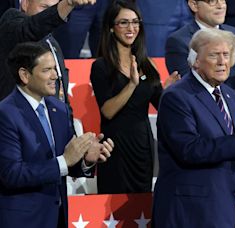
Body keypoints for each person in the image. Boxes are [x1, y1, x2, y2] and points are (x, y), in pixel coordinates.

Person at [152, 28, 235, 228]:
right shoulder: (177, 97)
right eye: (214, 55)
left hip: (231, 206)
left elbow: (234, 147)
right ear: (195, 60)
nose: (223, 61)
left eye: (226, 55)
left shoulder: (231, 96)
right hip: (193, 211)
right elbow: (189, 150)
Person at [0, 41, 114, 228]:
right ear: (25, 75)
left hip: (57, 217)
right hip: (22, 220)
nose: (55, 76)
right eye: (47, 70)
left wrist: (86, 160)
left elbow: (68, 163)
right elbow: (11, 174)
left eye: (55, 68)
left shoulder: (59, 110)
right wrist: (64, 161)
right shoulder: (6, 114)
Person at [91, 0, 179, 194]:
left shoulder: (148, 64)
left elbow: (161, 106)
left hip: (143, 146)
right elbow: (107, 111)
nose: (131, 28)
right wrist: (132, 84)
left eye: (135, 22)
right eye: (123, 22)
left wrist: (169, 91)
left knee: (141, 208)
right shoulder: (101, 66)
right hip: (115, 147)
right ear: (111, 28)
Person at [165, 0, 235, 113]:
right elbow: (192, 86)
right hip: (200, 114)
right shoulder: (180, 41)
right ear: (194, 5)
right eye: (212, 1)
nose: (220, 6)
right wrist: (230, 60)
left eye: (223, 0)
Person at [0, 0, 96, 101]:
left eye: (53, 8)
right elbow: (31, 28)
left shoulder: (52, 42)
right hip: (15, 114)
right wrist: (68, 3)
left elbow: (62, 94)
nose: (48, 13)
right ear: (25, 4)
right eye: (44, 7)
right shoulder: (10, 22)